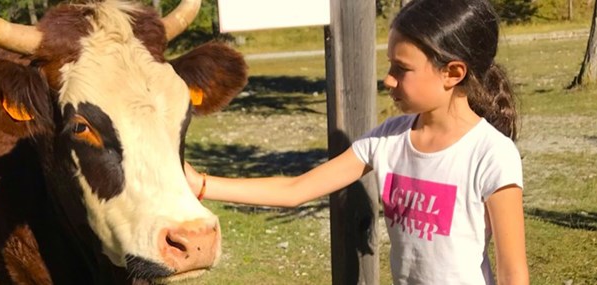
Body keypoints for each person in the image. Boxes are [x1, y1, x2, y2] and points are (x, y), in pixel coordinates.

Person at [183, 0, 528, 284]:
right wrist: (202, 184)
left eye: (401, 68)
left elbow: (513, 273)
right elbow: (295, 190)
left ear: (452, 73)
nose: (387, 78)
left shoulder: (492, 154)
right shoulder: (388, 138)